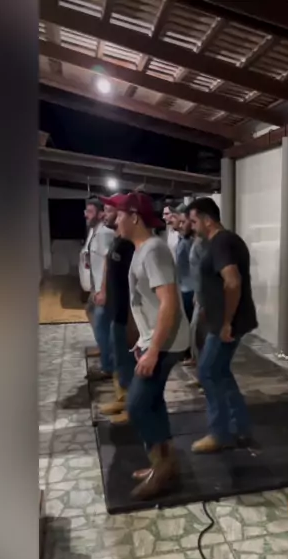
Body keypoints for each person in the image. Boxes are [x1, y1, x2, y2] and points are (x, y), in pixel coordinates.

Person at [116, 191, 190, 500]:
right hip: (157, 339)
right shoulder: (142, 249)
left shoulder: (153, 251)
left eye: (120, 214)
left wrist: (154, 350)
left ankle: (163, 469)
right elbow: (148, 304)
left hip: (168, 342)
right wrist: (143, 340)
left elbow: (168, 303)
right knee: (152, 402)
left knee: (137, 405)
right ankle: (163, 464)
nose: (115, 220)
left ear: (134, 217)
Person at [186, 197, 258, 453]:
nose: (192, 226)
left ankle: (220, 433)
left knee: (207, 372)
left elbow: (232, 282)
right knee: (220, 372)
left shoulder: (222, 242)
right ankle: (240, 427)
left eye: (194, 221)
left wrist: (227, 322)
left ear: (207, 220)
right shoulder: (221, 242)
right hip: (221, 320)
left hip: (227, 323)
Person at [96, 195, 137, 424]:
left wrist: (132, 319)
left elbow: (135, 283)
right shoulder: (117, 240)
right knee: (119, 358)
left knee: (128, 361)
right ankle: (123, 398)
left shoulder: (130, 245)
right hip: (115, 310)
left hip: (125, 314)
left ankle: (133, 406)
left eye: (113, 211)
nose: (106, 214)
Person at [84, 197, 115, 380]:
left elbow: (108, 263)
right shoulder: (93, 231)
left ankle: (108, 365)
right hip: (95, 286)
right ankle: (105, 352)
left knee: (102, 325)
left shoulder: (104, 234)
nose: (86, 215)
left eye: (90, 211)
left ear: (100, 213)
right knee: (92, 314)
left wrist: (103, 290)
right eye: (86, 211)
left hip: (104, 288)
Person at [179, 207, 206, 371]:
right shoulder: (194, 242)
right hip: (196, 292)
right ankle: (200, 367)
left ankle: (203, 369)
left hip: (200, 294)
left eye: (185, 222)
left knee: (198, 331)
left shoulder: (201, 244)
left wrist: (198, 292)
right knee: (195, 331)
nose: (182, 225)